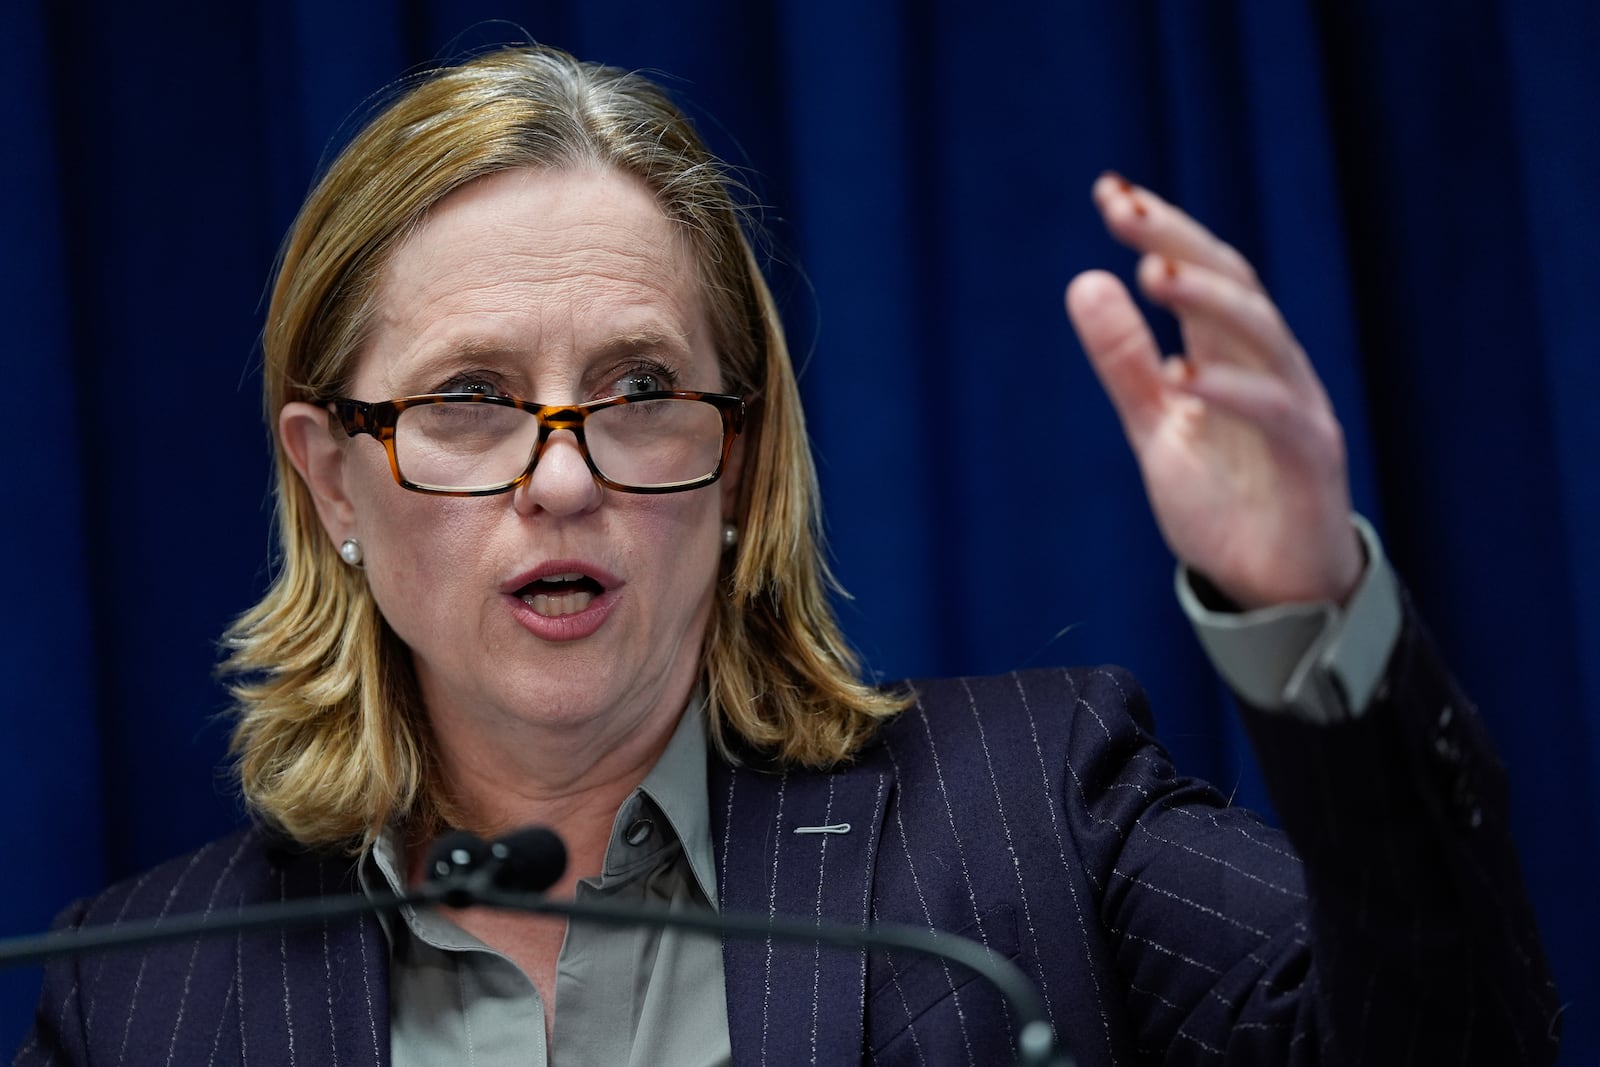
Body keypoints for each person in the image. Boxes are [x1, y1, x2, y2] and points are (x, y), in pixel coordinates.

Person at [14, 43, 1557, 1067]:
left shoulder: (1034, 819)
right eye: (471, 400)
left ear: (738, 461)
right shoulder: (141, 991)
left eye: (637, 388)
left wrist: (1310, 613)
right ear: (332, 477)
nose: (563, 478)